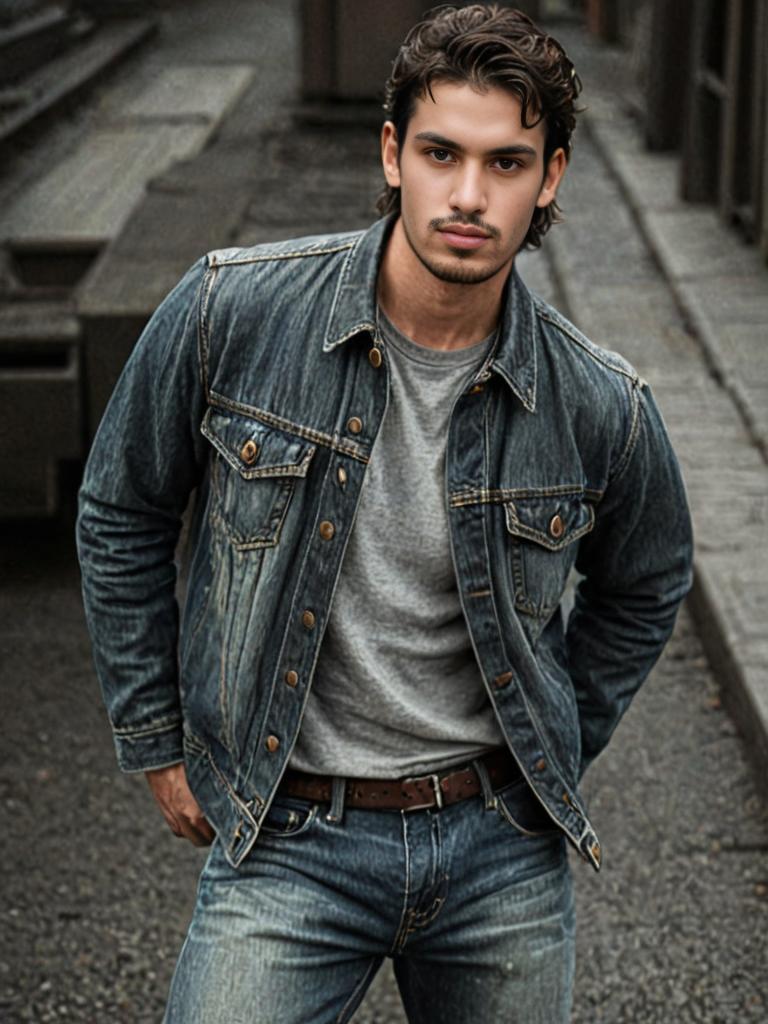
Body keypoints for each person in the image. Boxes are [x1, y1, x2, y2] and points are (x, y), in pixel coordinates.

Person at [76, 4, 693, 1021]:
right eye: (443, 152)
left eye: (506, 163)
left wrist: (560, 734)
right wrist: (155, 736)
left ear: (551, 178)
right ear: (393, 151)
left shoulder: (599, 402)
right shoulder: (232, 310)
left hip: (501, 846)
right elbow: (121, 508)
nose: (467, 194)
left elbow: (649, 576)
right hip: (288, 834)